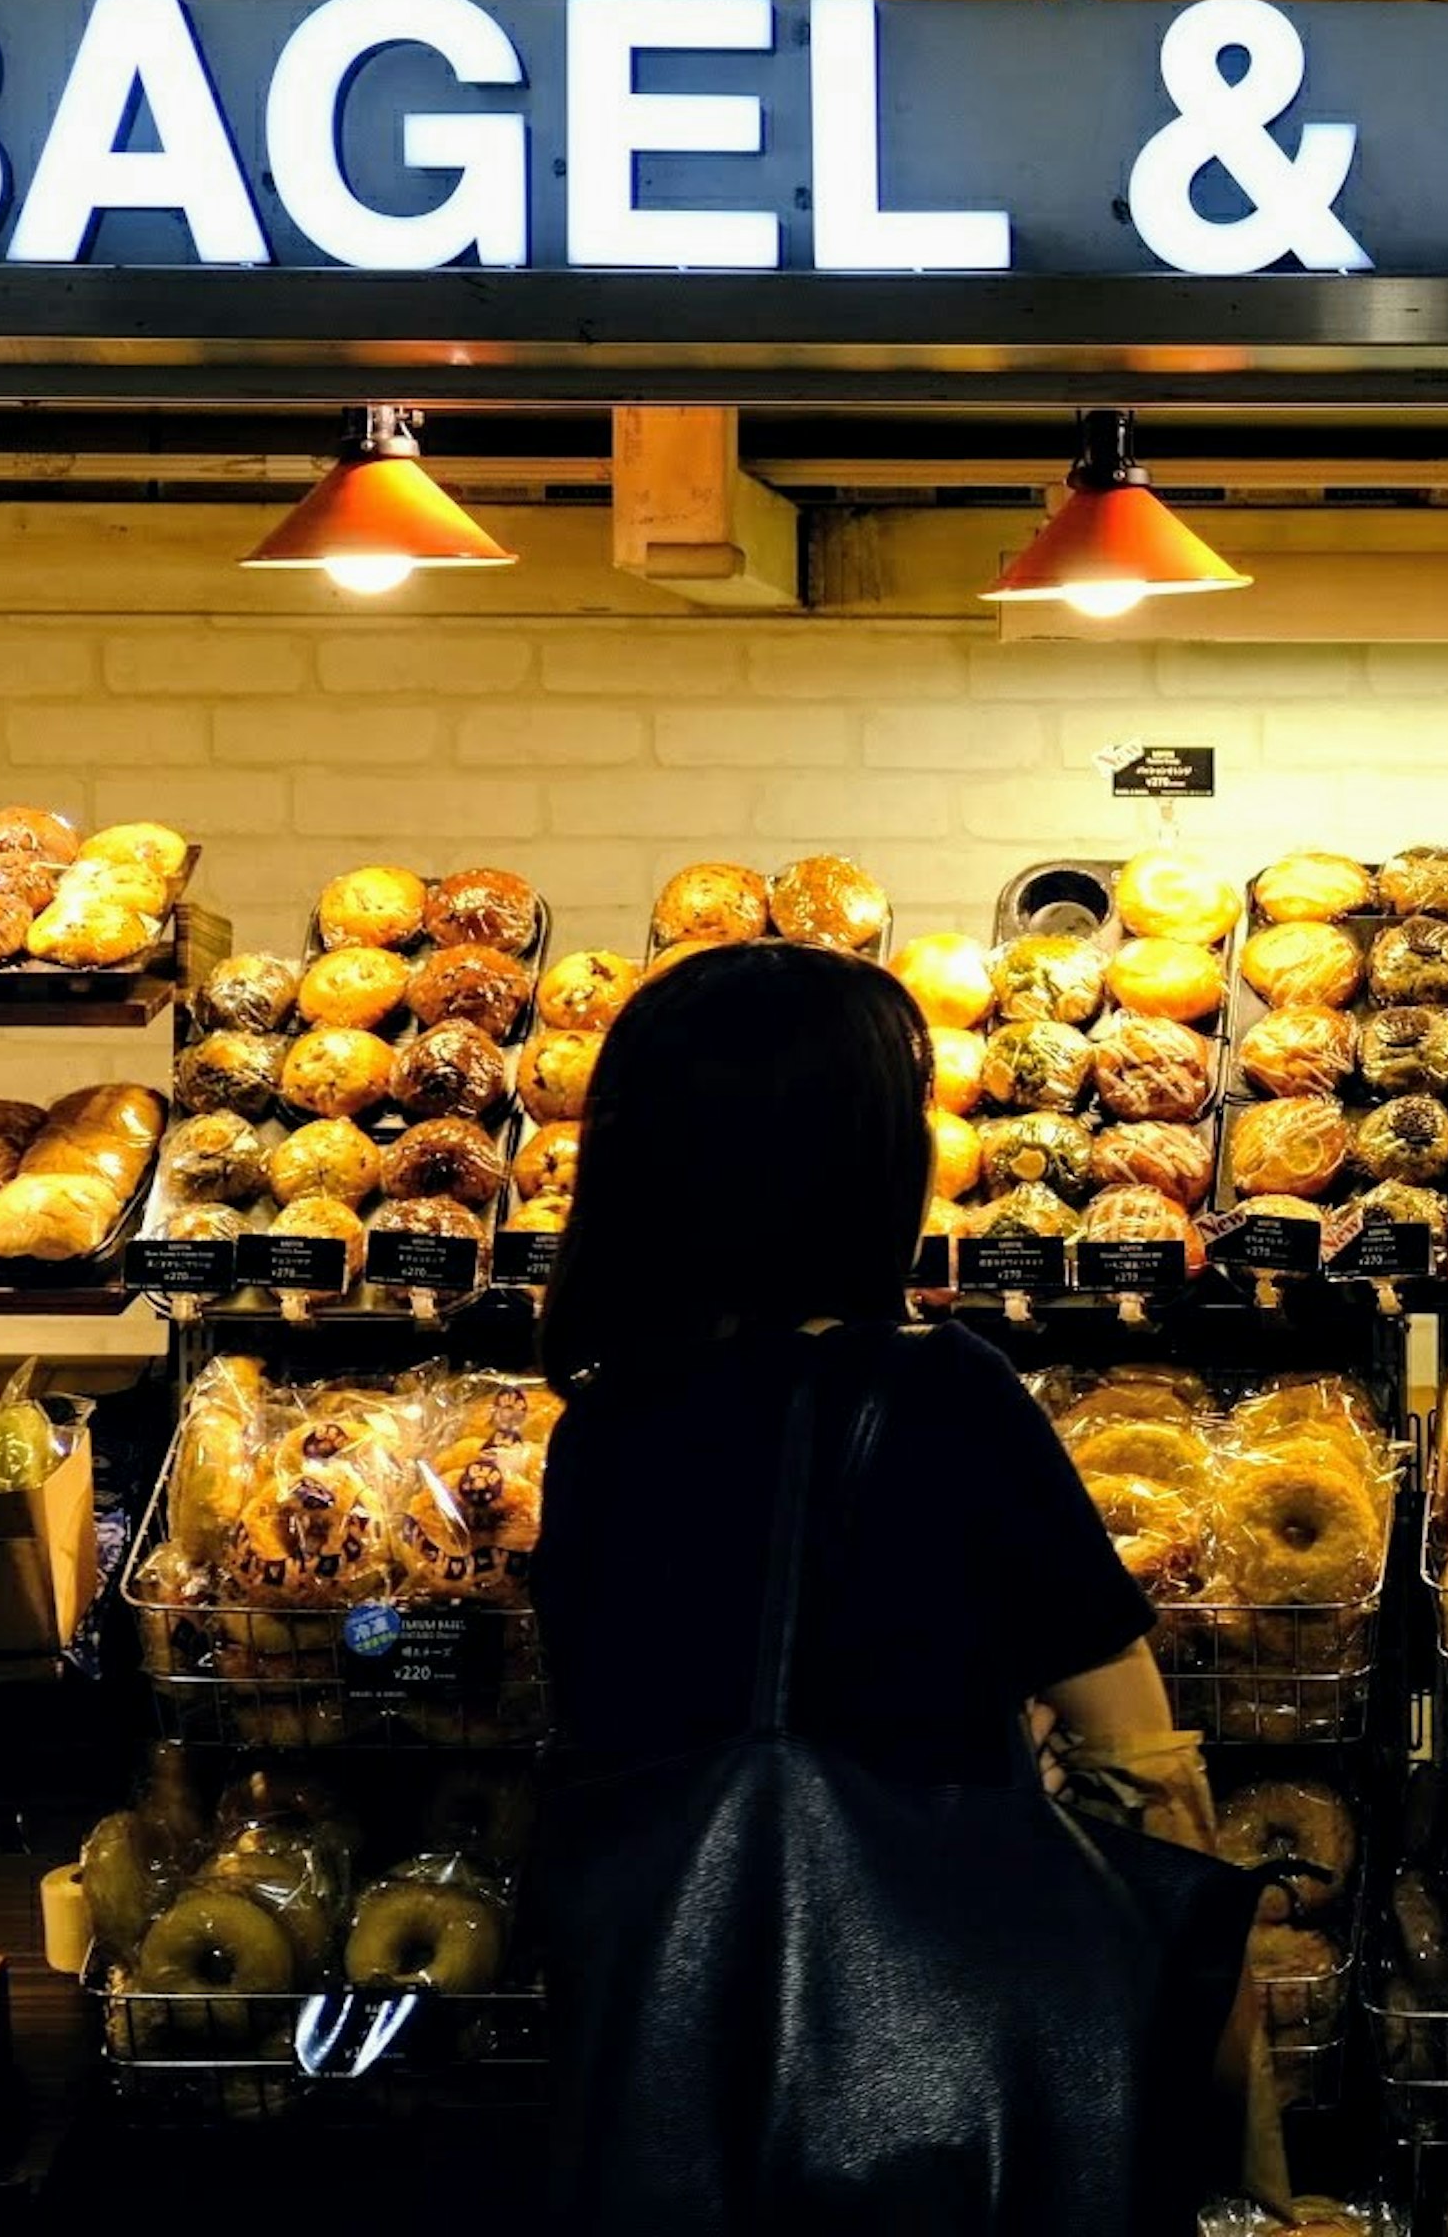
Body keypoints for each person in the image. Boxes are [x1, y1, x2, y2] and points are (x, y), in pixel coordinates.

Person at [531, 939, 1257, 2230]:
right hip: (934, 2042)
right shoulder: (935, 1393)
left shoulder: (601, 1419)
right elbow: (1139, 1754)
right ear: (853, 1160)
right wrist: (1220, 2052)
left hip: (665, 2035)